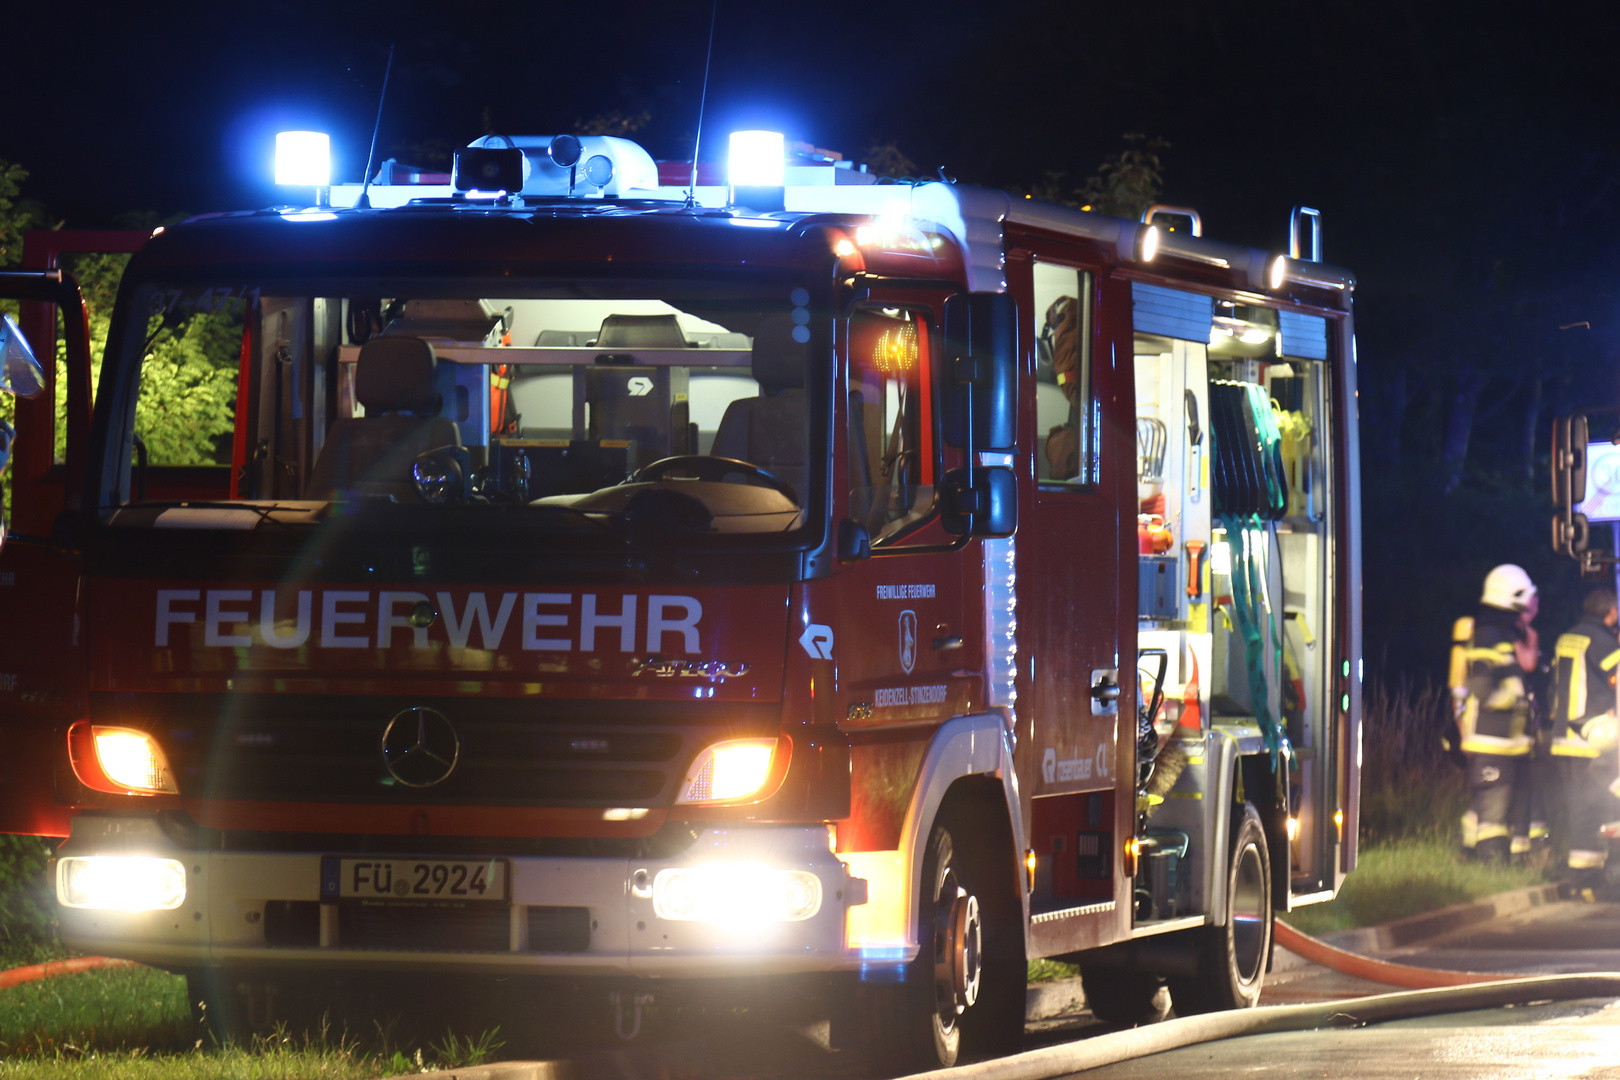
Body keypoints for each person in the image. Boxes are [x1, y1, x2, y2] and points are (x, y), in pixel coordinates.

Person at [1458, 564, 1539, 863]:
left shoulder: (1500, 633)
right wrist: (1514, 699)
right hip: (1492, 740)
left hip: (1506, 740)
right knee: (1493, 807)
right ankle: (1490, 862)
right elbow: (1481, 686)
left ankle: (1474, 855)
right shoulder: (1488, 634)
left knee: (1495, 805)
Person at [1549, 587, 1620, 896]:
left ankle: (1581, 880)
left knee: (1578, 807)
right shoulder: (1602, 639)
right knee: (1595, 806)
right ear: (1611, 612)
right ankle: (1590, 881)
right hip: (1590, 737)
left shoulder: (1568, 637)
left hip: (1562, 736)